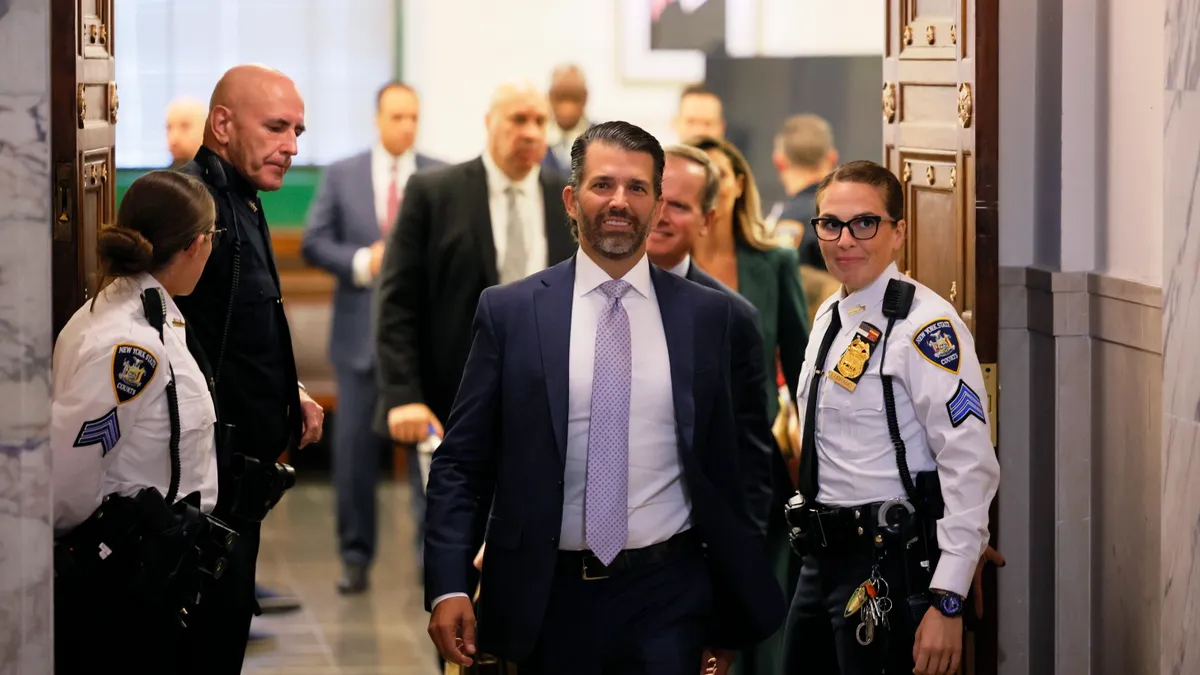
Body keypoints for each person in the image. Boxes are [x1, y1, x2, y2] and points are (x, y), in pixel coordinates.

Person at [423, 120, 785, 675]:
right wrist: (449, 585)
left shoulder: (712, 319)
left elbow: (743, 472)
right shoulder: (511, 313)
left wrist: (730, 607)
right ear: (572, 199)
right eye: (602, 185)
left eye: (638, 188)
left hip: (671, 594)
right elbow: (462, 464)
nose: (620, 201)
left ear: (660, 204)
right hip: (546, 598)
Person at [781, 160, 1000, 675]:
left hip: (886, 564)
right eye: (830, 224)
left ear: (898, 232)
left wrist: (948, 595)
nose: (845, 240)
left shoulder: (925, 328)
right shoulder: (830, 314)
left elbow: (970, 465)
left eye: (865, 223)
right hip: (819, 562)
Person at [174, 64, 325, 674]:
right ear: (223, 124)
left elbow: (233, 328)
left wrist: (290, 392)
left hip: (241, 486)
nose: (291, 146)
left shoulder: (243, 194)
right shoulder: (191, 203)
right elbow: (170, 344)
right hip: (201, 494)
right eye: (277, 128)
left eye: (298, 131)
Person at [51, 170, 222, 674]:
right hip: (124, 576)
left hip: (155, 564)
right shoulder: (130, 346)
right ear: (196, 244)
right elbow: (70, 471)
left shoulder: (148, 313)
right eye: (212, 238)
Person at [374, 81, 574, 453]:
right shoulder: (434, 193)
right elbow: (397, 302)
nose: (530, 132)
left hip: (545, 399)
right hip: (450, 402)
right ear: (489, 122)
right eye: (518, 119)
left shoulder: (567, 198)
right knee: (453, 510)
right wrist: (403, 394)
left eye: (539, 121)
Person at [302, 80, 445, 594]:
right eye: (397, 116)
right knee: (356, 459)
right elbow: (316, 242)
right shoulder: (343, 174)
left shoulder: (440, 174)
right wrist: (364, 261)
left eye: (413, 117)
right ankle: (355, 557)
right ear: (378, 118)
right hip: (358, 336)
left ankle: (435, 560)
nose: (406, 125)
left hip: (422, 343)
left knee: (431, 460)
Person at [685, 134, 809, 675]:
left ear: (738, 185)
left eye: (721, 172)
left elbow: (804, 365)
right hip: (685, 460)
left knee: (761, 599)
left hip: (758, 459)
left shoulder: (773, 262)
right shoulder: (658, 264)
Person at [544, 64, 590, 173]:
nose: (567, 107)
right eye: (560, 97)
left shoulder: (604, 140)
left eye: (574, 98)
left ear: (585, 98)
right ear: (550, 97)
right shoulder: (536, 139)